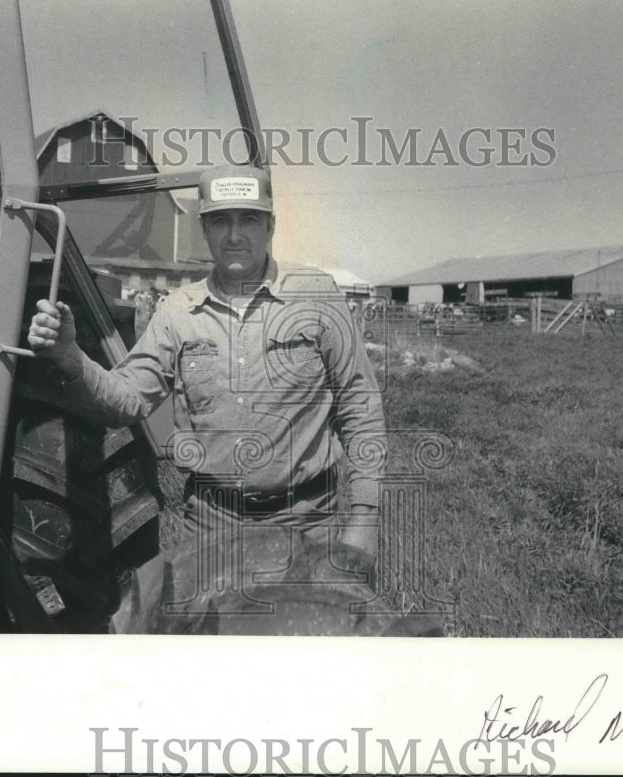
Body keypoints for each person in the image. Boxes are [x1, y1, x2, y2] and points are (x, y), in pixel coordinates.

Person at [27, 164, 386, 583]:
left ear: (271, 225)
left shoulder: (316, 295)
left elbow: (360, 408)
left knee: (305, 645)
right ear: (204, 228)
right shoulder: (178, 311)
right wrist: (70, 357)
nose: (234, 235)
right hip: (212, 528)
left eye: (249, 218)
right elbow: (126, 401)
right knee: (211, 645)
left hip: (306, 522)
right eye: (220, 220)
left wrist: (364, 518)